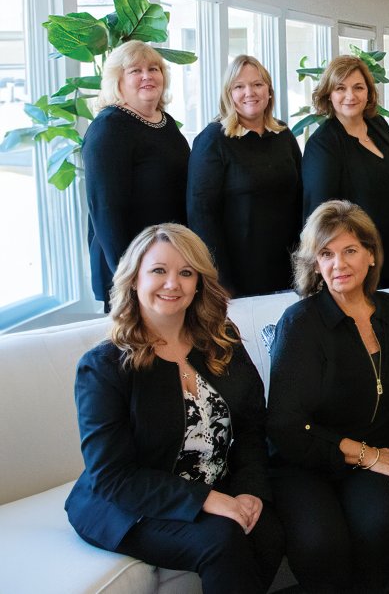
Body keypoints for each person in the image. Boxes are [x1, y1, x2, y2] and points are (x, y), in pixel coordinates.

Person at [64, 223, 284, 593]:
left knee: (269, 531)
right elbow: (112, 477)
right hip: (127, 504)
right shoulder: (103, 367)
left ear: (199, 282)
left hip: (209, 481)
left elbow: (250, 427)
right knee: (222, 540)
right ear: (134, 280)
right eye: (158, 271)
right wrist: (208, 500)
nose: (173, 284)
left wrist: (248, 491)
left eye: (186, 272)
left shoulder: (221, 340)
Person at [266, 200, 389, 592]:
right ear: (315, 263)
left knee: (381, 526)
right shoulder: (301, 323)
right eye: (326, 253)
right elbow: (285, 425)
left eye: (350, 250)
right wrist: (365, 454)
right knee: (320, 544)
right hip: (305, 461)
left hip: (379, 451)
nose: (339, 263)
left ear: (371, 255)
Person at [83, 40, 190, 310]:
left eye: (154, 68)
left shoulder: (164, 122)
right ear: (117, 81)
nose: (147, 76)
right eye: (135, 70)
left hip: (166, 258)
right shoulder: (108, 128)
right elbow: (105, 210)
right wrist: (128, 275)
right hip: (130, 266)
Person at [188, 55, 302, 297]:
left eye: (257, 84)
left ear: (269, 91)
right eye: (239, 86)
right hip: (237, 275)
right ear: (228, 94)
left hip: (288, 268)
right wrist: (220, 280)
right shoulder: (213, 140)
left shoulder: (283, 135)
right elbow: (201, 215)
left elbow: (301, 197)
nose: (250, 92)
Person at [302, 56, 389, 289]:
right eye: (340, 88)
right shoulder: (323, 145)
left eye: (358, 87)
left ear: (368, 92)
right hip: (356, 257)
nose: (350, 96)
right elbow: (321, 215)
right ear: (328, 95)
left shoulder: (378, 125)